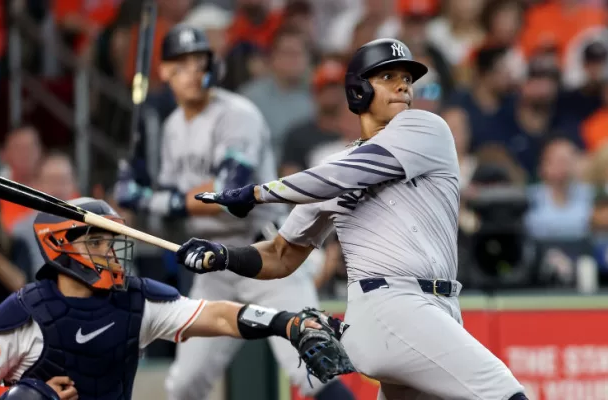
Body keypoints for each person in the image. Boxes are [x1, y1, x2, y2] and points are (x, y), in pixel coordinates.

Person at [175, 38, 527, 399]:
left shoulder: (426, 130)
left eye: (407, 77)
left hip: (435, 308)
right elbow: (280, 256)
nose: (403, 85)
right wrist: (224, 256)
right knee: (505, 393)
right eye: (387, 76)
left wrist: (256, 193)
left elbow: (343, 175)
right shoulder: (328, 174)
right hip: (393, 307)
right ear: (358, 90)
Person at [113, 25, 354, 400]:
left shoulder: (237, 114)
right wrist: (139, 192)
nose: (192, 72)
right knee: (184, 383)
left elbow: (227, 198)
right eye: (181, 64)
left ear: (213, 66)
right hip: (213, 265)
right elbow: (174, 210)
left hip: (265, 256)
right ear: (164, 71)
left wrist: (150, 198)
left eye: (199, 62)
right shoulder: (174, 126)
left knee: (311, 369)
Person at [0, 197, 351, 400]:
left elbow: (220, 316)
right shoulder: (24, 314)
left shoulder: (137, 302)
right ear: (59, 248)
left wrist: (284, 322)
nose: (109, 251)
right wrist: (21, 396)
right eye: (95, 242)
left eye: (110, 241)